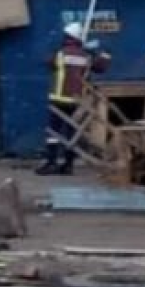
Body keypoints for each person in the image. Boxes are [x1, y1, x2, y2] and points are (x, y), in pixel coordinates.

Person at [37, 21, 111, 176]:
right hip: (77, 101)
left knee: (53, 133)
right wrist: (103, 53)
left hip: (58, 99)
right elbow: (100, 68)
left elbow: (48, 63)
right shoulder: (87, 55)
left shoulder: (60, 53)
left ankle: (51, 162)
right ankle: (68, 165)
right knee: (72, 133)